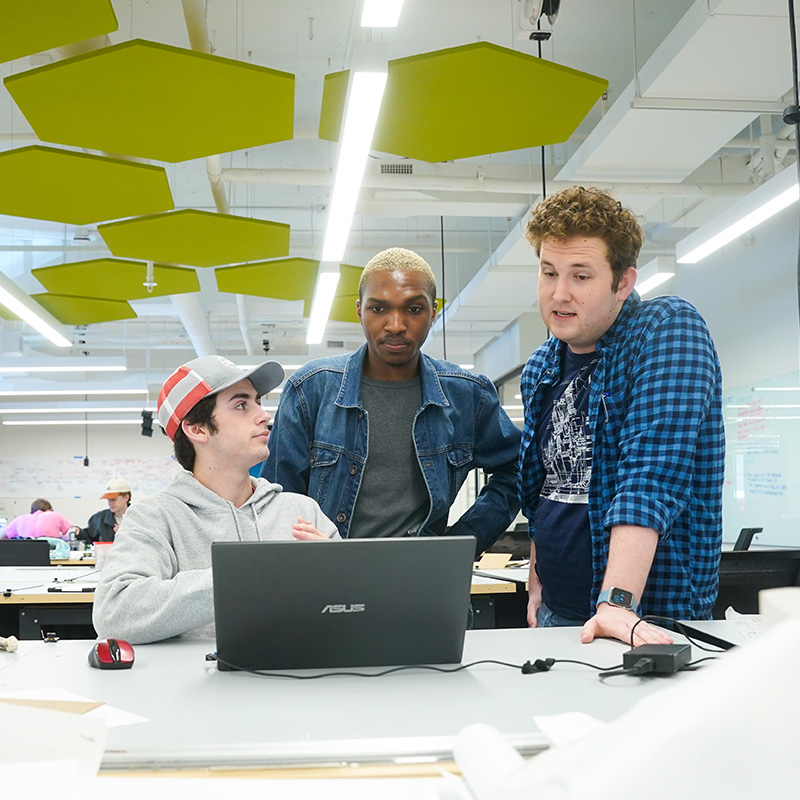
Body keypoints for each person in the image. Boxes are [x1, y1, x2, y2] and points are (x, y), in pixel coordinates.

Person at [518, 186, 724, 645]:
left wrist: (617, 605)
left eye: (581, 276)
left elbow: (650, 479)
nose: (559, 292)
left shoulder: (666, 329)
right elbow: (546, 488)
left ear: (623, 282)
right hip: (557, 614)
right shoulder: (540, 368)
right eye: (548, 272)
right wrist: (537, 579)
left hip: (645, 619)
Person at [262, 247, 521, 553]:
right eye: (379, 309)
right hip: (326, 581)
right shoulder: (311, 390)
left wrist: (462, 541)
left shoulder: (467, 395)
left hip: (422, 582)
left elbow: (517, 468)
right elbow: (277, 500)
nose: (396, 325)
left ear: (433, 311)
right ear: (359, 310)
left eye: (413, 309)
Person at [93, 356, 338, 644]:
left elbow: (358, 611)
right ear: (197, 429)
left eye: (258, 401)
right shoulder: (155, 517)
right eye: (241, 404)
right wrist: (245, 577)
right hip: (200, 685)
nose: (264, 415)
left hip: (303, 681)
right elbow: (114, 614)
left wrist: (337, 574)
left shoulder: (301, 510)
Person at [77, 479, 131, 544]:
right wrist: (79, 532)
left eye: (113, 500)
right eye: (108, 500)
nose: (110, 503)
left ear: (126, 497)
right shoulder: (100, 518)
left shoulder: (139, 517)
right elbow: (88, 537)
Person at [0, 498, 77, 540]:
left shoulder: (20, 519)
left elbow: (2, 536)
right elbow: (72, 532)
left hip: (23, 557)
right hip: (50, 556)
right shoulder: (54, 515)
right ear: (50, 509)